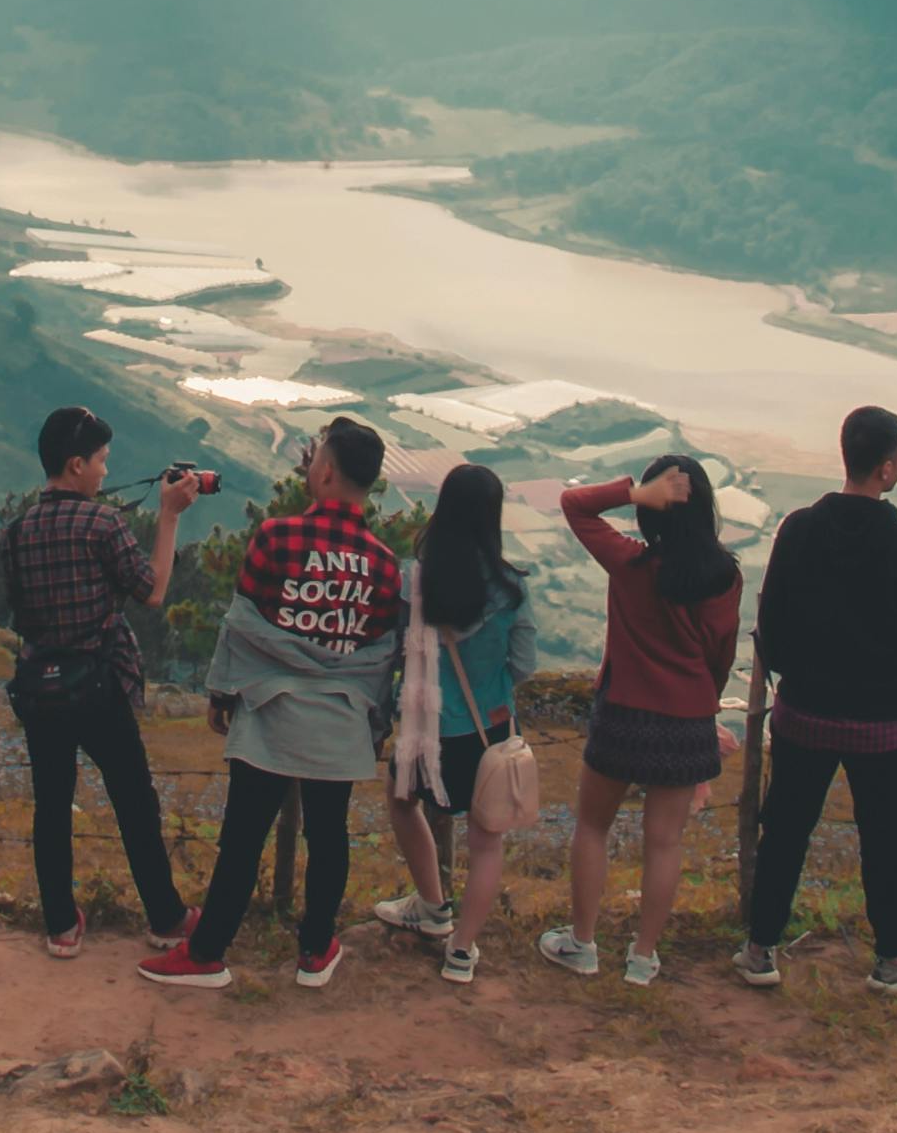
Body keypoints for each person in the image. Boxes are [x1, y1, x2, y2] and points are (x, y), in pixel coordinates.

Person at [140, 415, 403, 992]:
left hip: (270, 713)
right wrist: (374, 724)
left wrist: (221, 693)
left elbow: (243, 626)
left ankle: (208, 953)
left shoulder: (276, 537)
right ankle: (315, 948)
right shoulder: (384, 563)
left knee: (242, 836)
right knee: (329, 835)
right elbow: (380, 652)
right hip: (338, 721)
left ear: (325, 470)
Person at [737, 405, 897, 993]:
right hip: (882, 724)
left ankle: (760, 950)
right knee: (884, 840)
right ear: (885, 468)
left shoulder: (799, 529)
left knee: (784, 832)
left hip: (805, 712)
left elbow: (769, 622)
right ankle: (893, 961)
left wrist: (791, 675)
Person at [0, 405, 210, 957]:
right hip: (97, 685)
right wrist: (169, 516)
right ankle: (165, 918)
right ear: (75, 464)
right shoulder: (103, 523)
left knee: (51, 803)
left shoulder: (16, 531)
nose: (102, 471)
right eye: (99, 461)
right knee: (133, 800)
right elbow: (153, 590)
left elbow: (19, 613)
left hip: (39, 687)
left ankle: (61, 926)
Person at [539, 454, 741, 986]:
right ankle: (643, 959)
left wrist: (635, 493)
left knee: (592, 826)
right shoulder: (726, 577)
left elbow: (573, 505)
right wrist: (705, 704)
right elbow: (720, 655)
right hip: (687, 719)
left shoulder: (630, 565)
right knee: (665, 842)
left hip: (624, 712)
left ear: (655, 514)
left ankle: (582, 944)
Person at [373, 462, 538, 985]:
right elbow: (526, 666)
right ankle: (462, 952)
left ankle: (432, 905)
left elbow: (393, 651)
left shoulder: (412, 581)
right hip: (490, 733)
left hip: (428, 732)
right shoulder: (512, 589)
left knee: (403, 803)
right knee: (487, 840)